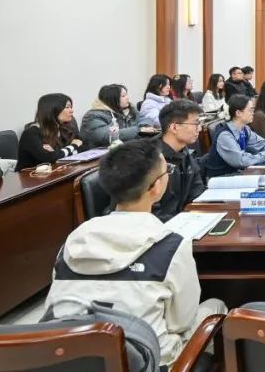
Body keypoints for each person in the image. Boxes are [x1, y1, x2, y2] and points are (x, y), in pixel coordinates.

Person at [45, 139, 227, 366]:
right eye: (167, 172)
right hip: (148, 361)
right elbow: (181, 323)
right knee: (216, 306)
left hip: (71, 359)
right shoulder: (170, 245)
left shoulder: (73, 240)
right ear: (156, 187)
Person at [152, 100, 206, 221]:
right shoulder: (150, 159)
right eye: (196, 124)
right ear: (174, 127)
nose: (200, 128)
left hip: (184, 221)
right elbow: (150, 212)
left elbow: (198, 192)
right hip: (159, 227)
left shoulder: (185, 152)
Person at [205, 94, 265, 177]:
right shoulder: (225, 136)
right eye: (250, 110)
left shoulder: (244, 129)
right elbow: (242, 161)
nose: (253, 113)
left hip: (236, 173)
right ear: (238, 113)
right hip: (221, 177)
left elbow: (261, 144)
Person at [17, 93, 86, 170]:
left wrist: (59, 153)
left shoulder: (65, 128)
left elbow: (83, 148)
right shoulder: (31, 133)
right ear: (52, 109)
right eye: (67, 107)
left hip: (58, 172)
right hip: (31, 175)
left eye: (71, 107)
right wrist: (73, 146)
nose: (71, 111)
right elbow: (49, 158)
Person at [80, 84, 157, 147]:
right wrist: (139, 130)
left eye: (126, 95)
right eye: (123, 96)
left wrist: (145, 126)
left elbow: (144, 118)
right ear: (112, 99)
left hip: (125, 150)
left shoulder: (129, 109)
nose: (127, 98)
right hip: (100, 154)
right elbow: (105, 136)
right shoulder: (93, 116)